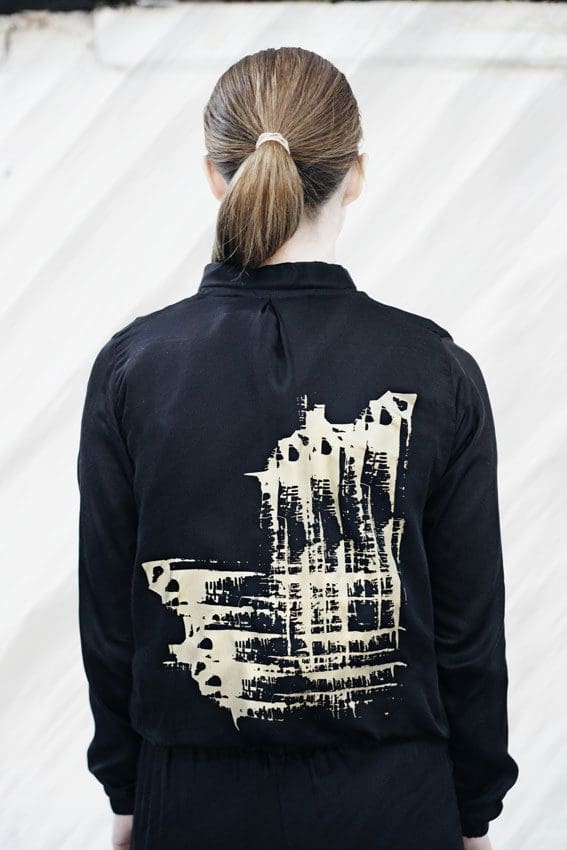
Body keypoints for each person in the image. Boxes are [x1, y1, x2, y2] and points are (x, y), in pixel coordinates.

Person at [77, 46, 519, 850]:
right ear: (354, 174)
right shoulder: (436, 371)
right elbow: (468, 630)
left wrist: (128, 793)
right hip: (394, 805)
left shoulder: (134, 369)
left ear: (215, 175)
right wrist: (473, 810)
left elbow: (112, 619)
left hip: (195, 803)